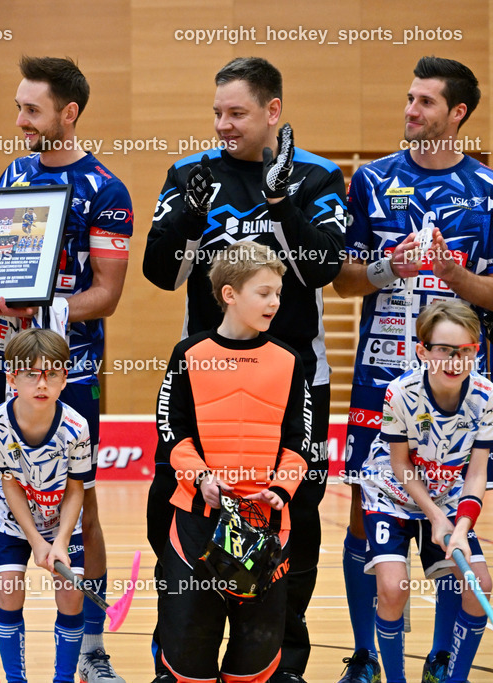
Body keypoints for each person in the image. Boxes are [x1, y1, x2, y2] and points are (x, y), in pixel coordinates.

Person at [0, 55, 133, 683]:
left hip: (70, 368)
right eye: (18, 107)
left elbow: (107, 294)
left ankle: (91, 651)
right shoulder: (14, 175)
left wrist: (42, 308)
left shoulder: (106, 191)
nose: (20, 120)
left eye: (32, 110)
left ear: (68, 114)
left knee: (85, 511)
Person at [143, 56, 345, 683]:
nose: (223, 125)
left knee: (293, 524)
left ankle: (282, 664)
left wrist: (281, 204)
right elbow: (160, 273)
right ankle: (176, 657)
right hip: (204, 381)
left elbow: (322, 267)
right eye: (217, 113)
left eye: (237, 113)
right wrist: (187, 216)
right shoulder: (190, 174)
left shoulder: (316, 176)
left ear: (272, 111)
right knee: (179, 511)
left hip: (294, 381)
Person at [331, 55, 493, 683]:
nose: (410, 110)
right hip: (381, 378)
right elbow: (343, 280)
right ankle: (365, 655)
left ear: (458, 112)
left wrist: (456, 276)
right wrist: (388, 268)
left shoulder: (486, 192)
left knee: (452, 511)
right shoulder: (371, 181)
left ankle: (443, 658)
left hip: (457, 389)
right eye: (409, 98)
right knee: (363, 510)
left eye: (425, 101)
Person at [156, 242, 307, 683]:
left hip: (266, 525)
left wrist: (280, 490)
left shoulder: (290, 361)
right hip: (196, 523)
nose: (275, 302)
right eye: (264, 293)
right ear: (229, 294)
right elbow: (170, 431)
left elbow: (300, 441)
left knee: (255, 657)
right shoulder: (187, 354)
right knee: (188, 651)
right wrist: (201, 477)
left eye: (278, 293)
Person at [359, 300, 491, 683]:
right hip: (391, 491)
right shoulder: (400, 393)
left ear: (476, 351)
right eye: (445, 350)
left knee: (480, 586)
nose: (455, 360)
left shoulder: (485, 397)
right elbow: (401, 465)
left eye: (465, 351)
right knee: (392, 588)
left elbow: (477, 473)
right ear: (422, 351)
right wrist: (435, 517)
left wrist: (460, 527)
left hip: (448, 494)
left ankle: (454, 679)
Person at [0, 328, 89, 683]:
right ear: (12, 377)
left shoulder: (76, 427)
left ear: (65, 378)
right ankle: (16, 680)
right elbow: (8, 485)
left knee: (72, 596)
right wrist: (36, 541)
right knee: (8, 590)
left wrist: (60, 541)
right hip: (14, 520)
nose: (42, 384)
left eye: (52, 374)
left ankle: (63, 679)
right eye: (31, 374)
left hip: (62, 520)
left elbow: (76, 490)